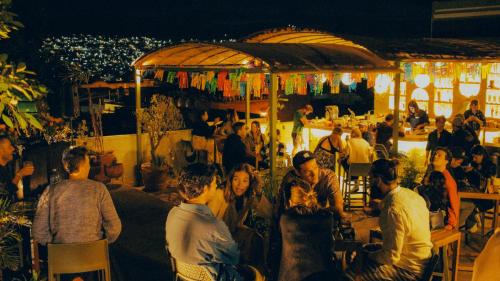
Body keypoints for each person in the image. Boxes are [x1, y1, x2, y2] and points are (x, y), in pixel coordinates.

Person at [166, 163, 257, 281]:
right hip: (211, 276)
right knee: (254, 274)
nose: (217, 186)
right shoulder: (211, 224)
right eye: (214, 184)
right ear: (205, 188)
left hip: (184, 273)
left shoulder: (173, 213)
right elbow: (232, 257)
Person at [347, 159, 432, 281]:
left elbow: (391, 257)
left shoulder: (393, 210)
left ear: (378, 180)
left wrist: (367, 256)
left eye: (370, 179)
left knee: (350, 274)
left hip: (408, 271)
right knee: (365, 249)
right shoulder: (410, 195)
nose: (369, 183)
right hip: (420, 258)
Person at [32, 146, 122, 245]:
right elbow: (114, 227)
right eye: (88, 163)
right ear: (83, 165)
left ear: (66, 167)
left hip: (61, 256)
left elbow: (38, 231)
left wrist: (54, 245)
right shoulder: (99, 189)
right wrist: (102, 243)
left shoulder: (50, 191)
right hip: (94, 254)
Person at [208, 163, 272, 270]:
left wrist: (259, 192)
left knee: (257, 240)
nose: (239, 185)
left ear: (250, 183)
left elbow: (268, 213)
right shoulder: (220, 193)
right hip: (216, 240)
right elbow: (207, 224)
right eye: (236, 179)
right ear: (230, 180)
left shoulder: (249, 196)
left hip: (232, 236)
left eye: (245, 181)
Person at [278, 151, 345, 221]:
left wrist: (312, 211)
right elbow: (283, 212)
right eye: (308, 171)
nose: (314, 174)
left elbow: (338, 209)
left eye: (315, 167)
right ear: (297, 172)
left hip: (321, 221)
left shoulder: (328, 177)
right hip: (300, 224)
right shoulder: (290, 179)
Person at [464, 145, 497, 233]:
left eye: (475, 157)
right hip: (474, 193)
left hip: (487, 195)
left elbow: (488, 179)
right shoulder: (473, 163)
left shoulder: (491, 166)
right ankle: (474, 215)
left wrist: (474, 171)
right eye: (473, 157)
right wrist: (467, 172)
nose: (474, 159)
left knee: (471, 205)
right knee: (468, 202)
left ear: (482, 155)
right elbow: (471, 180)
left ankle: (474, 216)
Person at [430, 147, 459, 230]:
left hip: (439, 220)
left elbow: (453, 203)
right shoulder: (432, 174)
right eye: (435, 154)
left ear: (446, 161)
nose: (435, 156)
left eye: (439, 155)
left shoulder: (448, 180)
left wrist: (451, 224)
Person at [0, 135, 35, 201]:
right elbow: (5, 193)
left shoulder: (6, 167)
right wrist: (19, 174)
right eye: (9, 147)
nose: (13, 149)